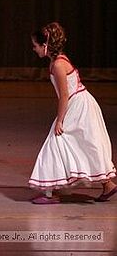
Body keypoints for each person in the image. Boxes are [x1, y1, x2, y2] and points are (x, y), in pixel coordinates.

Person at [29, 22, 116, 204]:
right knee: (81, 145)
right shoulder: (57, 61)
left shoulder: (59, 64)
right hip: (79, 102)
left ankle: (53, 193)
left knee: (57, 142)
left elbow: (64, 96)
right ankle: (107, 185)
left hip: (78, 105)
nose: (34, 49)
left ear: (45, 46)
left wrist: (60, 120)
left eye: (35, 46)